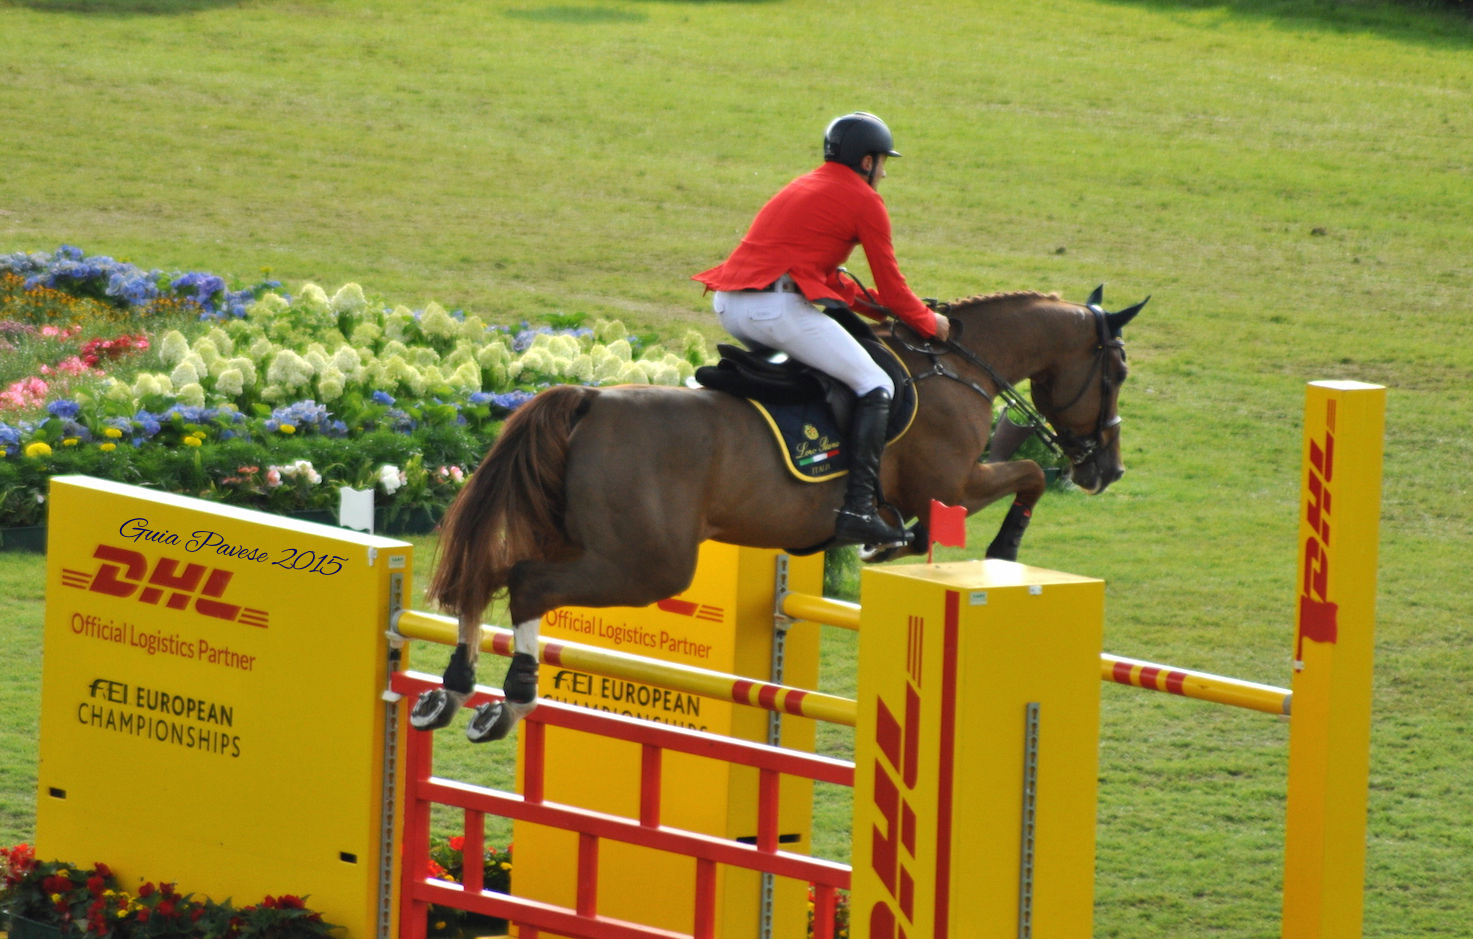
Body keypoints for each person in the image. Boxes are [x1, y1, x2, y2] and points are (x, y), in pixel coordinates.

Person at [693, 111, 949, 547]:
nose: (885, 173)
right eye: (884, 162)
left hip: (731, 304)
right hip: (774, 309)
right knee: (875, 382)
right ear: (866, 162)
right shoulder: (865, 201)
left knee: (828, 368)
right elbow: (892, 283)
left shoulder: (807, 183)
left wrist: (882, 312)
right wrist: (928, 323)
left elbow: (834, 283)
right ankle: (857, 510)